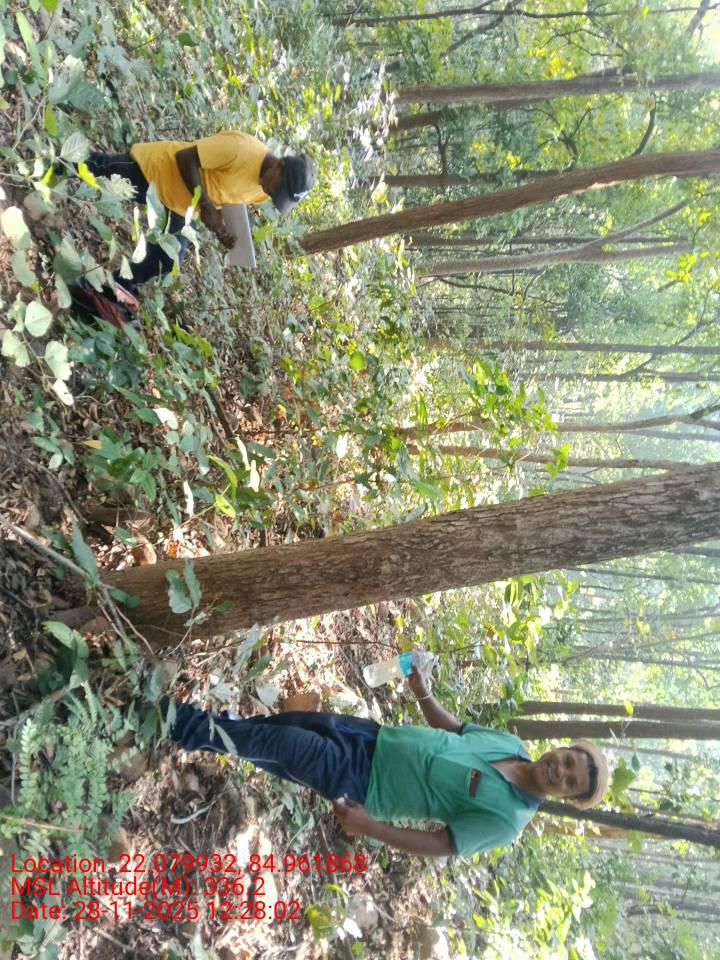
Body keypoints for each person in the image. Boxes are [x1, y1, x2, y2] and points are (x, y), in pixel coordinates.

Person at [160, 669, 609, 859]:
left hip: (365, 783)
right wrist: (423, 691)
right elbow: (456, 731)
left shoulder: (507, 821)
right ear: (563, 748)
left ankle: (177, 723)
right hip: (372, 736)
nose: (561, 770)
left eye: (570, 781)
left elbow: (441, 844)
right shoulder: (512, 744)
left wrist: (370, 827)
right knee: (281, 732)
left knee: (285, 745)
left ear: (565, 796)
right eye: (569, 760)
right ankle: (221, 731)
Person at [82, 133, 316, 292]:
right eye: (277, 189)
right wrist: (206, 205)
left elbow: (225, 195)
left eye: (278, 196)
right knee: (96, 169)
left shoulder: (264, 189)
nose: (271, 194)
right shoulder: (241, 149)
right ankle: (60, 160)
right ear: (279, 166)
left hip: (181, 206)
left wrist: (222, 229)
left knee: (168, 259)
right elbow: (185, 157)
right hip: (157, 173)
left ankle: (111, 287)